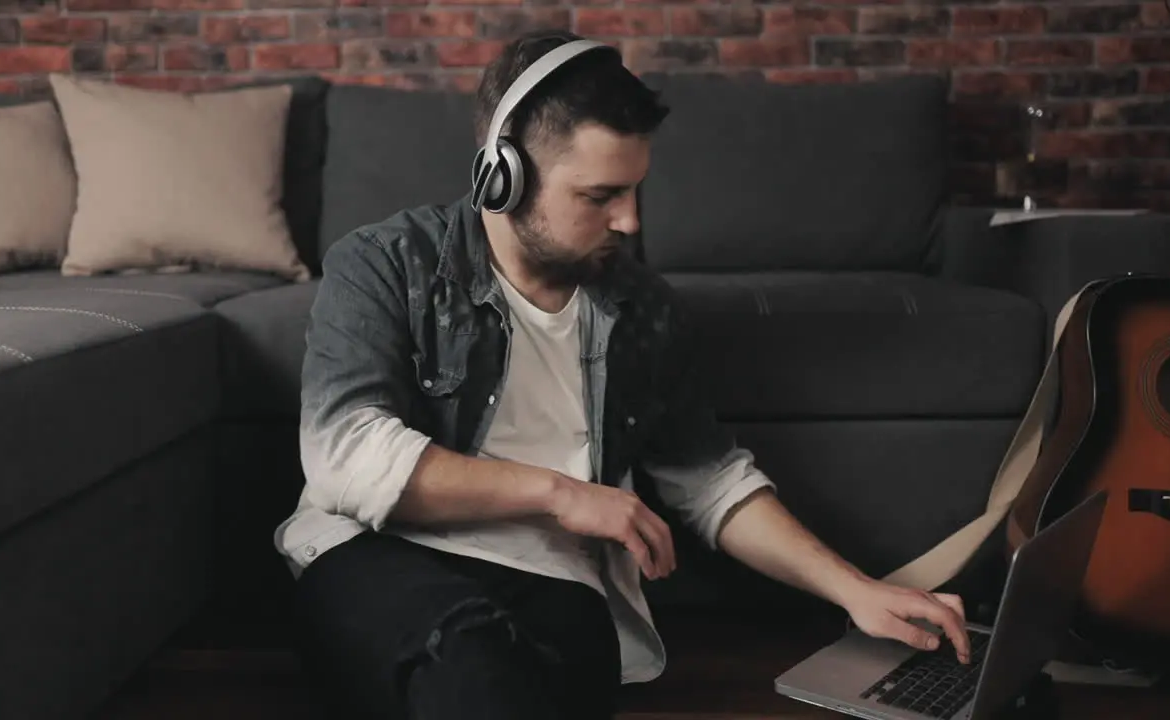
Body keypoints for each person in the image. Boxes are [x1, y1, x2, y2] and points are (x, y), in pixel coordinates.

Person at [274, 29, 971, 720]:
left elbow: (712, 481)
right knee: (465, 654)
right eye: (600, 195)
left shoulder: (643, 310)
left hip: (550, 574)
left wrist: (856, 591)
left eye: (635, 190)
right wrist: (564, 497)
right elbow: (345, 455)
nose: (631, 220)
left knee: (552, 676)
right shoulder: (385, 263)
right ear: (502, 176)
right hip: (379, 551)